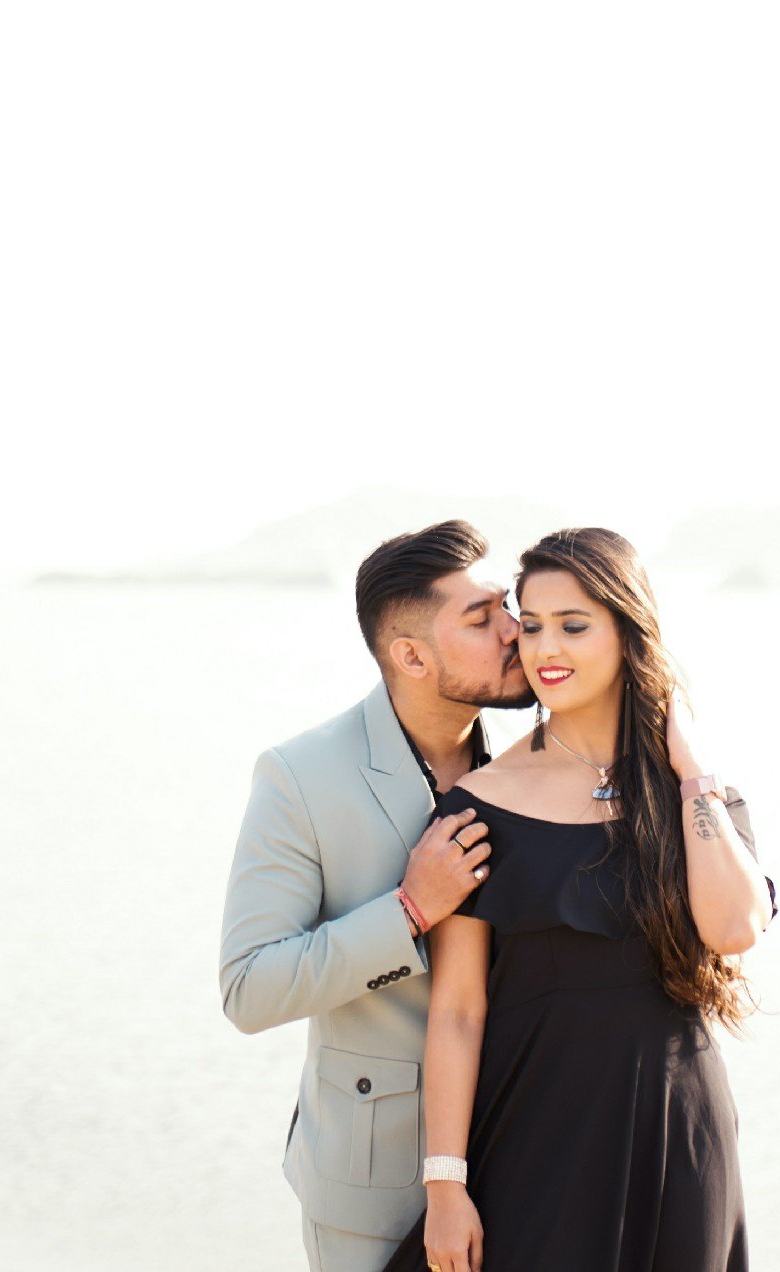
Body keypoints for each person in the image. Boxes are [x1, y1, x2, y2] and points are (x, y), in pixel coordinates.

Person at [381, 527, 778, 1272]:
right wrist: (445, 1186)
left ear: (627, 632)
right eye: (529, 626)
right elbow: (459, 1011)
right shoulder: (479, 805)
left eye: (573, 625)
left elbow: (732, 929)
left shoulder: (698, 796)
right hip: (538, 1134)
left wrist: (691, 774)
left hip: (677, 1132)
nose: (544, 649)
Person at [220, 519, 536, 1272]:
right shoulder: (301, 776)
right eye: (481, 617)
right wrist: (408, 912)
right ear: (411, 655)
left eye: (508, 606)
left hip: (533, 1164)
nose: (515, 632)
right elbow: (249, 988)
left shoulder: (543, 761)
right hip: (373, 1188)